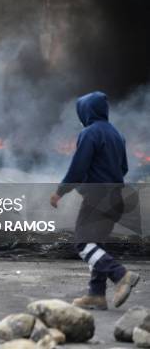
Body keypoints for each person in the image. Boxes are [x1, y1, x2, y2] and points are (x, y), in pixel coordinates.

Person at [50, 91, 140, 310]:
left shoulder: (90, 133)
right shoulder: (117, 135)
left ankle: (121, 275)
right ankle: (96, 294)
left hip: (97, 198)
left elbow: (78, 169)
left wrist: (60, 192)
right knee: (96, 243)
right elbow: (124, 168)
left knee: (83, 243)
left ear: (86, 111)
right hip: (116, 197)